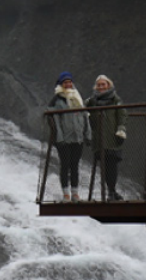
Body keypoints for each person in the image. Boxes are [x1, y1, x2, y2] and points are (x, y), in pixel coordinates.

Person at [48, 71, 91, 202]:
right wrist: (59, 138)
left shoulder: (77, 97)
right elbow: (55, 120)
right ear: (61, 84)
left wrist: (87, 133)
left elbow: (85, 116)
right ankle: (66, 194)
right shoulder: (57, 100)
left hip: (77, 137)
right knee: (65, 165)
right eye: (65, 82)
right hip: (64, 139)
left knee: (75, 165)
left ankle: (75, 193)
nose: (68, 84)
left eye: (70, 81)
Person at [84, 75, 128, 201]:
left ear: (109, 85)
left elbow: (122, 114)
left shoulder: (115, 99)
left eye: (103, 84)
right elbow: (82, 112)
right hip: (99, 138)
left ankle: (111, 192)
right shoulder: (91, 101)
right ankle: (111, 192)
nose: (101, 87)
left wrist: (121, 129)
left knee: (112, 165)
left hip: (112, 137)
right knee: (104, 165)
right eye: (99, 85)